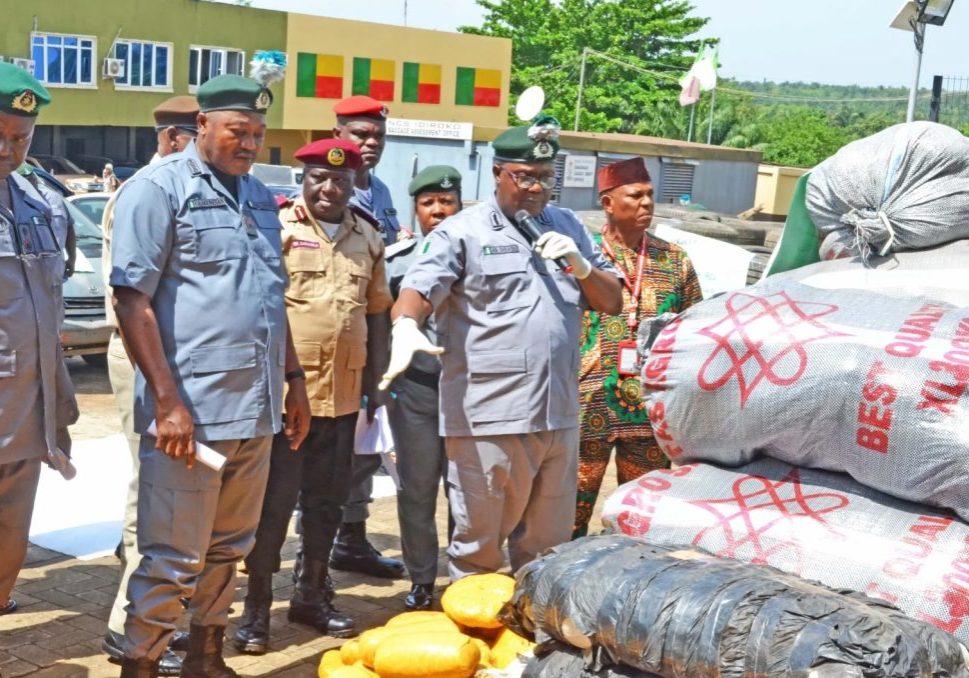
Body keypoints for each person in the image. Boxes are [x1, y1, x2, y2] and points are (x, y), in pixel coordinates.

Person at [110, 74, 310, 678]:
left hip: (254, 410)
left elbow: (271, 298)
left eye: (257, 133)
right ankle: (141, 663)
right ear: (201, 125)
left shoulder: (258, 196)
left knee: (229, 548)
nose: (248, 144)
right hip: (191, 417)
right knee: (171, 555)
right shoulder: (157, 190)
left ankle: (205, 657)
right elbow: (131, 300)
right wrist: (167, 403)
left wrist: (294, 381)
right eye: (236, 131)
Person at [381, 119, 623, 580]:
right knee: (480, 550)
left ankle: (532, 626)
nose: (536, 188)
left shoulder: (568, 226)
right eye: (524, 176)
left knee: (547, 550)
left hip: (557, 413)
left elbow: (612, 301)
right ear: (497, 173)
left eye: (545, 177)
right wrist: (407, 324)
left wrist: (582, 267)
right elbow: (420, 286)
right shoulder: (462, 231)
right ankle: (474, 623)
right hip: (490, 416)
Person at [234, 138, 392, 654]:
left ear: (353, 184)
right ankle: (257, 607)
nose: (329, 188)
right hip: (287, 401)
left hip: (344, 398)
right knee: (272, 510)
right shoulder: (279, 228)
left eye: (340, 180)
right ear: (303, 180)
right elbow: (257, 308)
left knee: (327, 506)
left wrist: (377, 389)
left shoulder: (368, 235)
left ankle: (311, 596)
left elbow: (377, 314)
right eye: (319, 178)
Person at [100, 94, 199, 675]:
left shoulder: (192, 185)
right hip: (141, 355)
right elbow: (129, 298)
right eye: (196, 135)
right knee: (151, 492)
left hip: (176, 357)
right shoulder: (145, 190)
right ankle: (131, 629)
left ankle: (158, 615)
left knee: (171, 494)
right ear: (173, 137)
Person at [573, 157, 703, 538]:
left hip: (648, 412)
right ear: (608, 203)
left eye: (649, 195)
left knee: (641, 516)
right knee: (567, 511)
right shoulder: (581, 258)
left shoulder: (674, 261)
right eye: (635, 195)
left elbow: (695, 331)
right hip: (585, 408)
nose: (646, 203)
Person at [0, 62, 78, 619]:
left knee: (12, 526)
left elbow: (49, 311)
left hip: (26, 405)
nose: (7, 150)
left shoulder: (40, 202)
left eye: (20, 138)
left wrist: (59, 408)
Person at [325, 94, 405, 580]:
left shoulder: (381, 191)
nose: (371, 143)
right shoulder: (325, 185)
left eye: (378, 136)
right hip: (333, 338)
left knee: (366, 442)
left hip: (376, 332)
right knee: (325, 448)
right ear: (338, 133)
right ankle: (314, 545)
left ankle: (350, 537)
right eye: (360, 134)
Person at [385, 165, 462, 610]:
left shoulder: (480, 256)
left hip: (469, 391)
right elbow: (381, 323)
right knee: (416, 488)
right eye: (427, 203)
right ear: (415, 210)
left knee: (466, 490)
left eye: (446, 202)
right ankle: (421, 580)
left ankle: (464, 578)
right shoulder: (398, 261)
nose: (437, 210)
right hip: (417, 390)